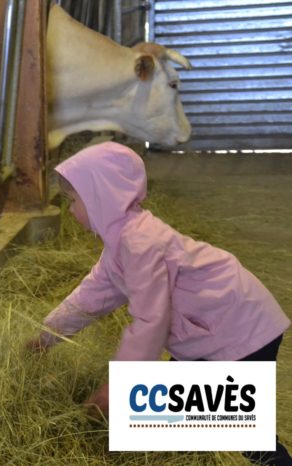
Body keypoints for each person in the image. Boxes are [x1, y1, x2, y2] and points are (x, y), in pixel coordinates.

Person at [26, 142, 291, 465]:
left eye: (73, 201)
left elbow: (151, 322)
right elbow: (91, 296)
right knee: (165, 408)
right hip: (212, 331)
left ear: (101, 197)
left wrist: (116, 389)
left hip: (238, 330)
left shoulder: (140, 244)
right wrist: (46, 336)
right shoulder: (120, 243)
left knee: (235, 427)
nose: (70, 210)